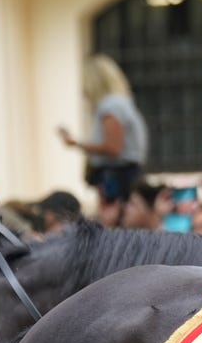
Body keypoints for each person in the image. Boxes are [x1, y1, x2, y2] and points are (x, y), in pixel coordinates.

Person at [57, 53, 149, 223]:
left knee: (114, 223)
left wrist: (77, 143)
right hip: (123, 174)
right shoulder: (122, 103)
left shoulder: (110, 107)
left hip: (116, 177)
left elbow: (113, 147)